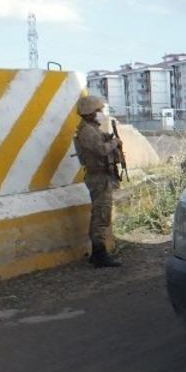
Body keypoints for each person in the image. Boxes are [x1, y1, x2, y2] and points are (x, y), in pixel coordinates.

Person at [73, 94, 123, 268]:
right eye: (98, 110)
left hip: (102, 176)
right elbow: (101, 150)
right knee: (101, 215)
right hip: (98, 178)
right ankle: (100, 254)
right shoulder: (87, 130)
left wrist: (110, 138)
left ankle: (98, 253)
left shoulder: (92, 128)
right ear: (89, 112)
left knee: (101, 214)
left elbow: (101, 141)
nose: (101, 113)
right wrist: (115, 143)